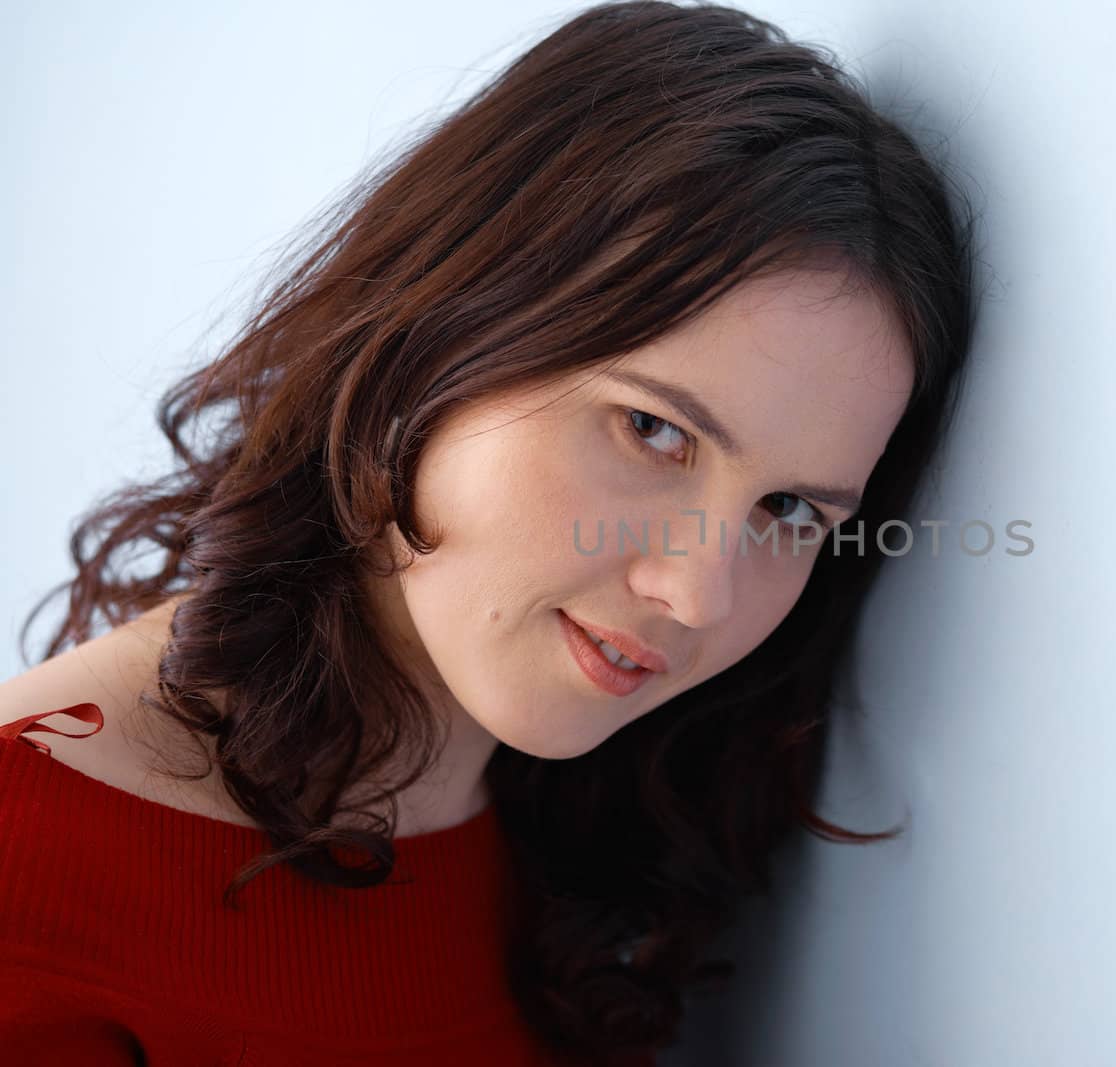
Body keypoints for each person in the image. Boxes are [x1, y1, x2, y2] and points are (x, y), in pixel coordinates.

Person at [0, 0, 980, 1063]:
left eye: (788, 510)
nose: (700, 594)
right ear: (439, 336)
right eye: (652, 429)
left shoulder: (578, 852)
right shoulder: (30, 868)